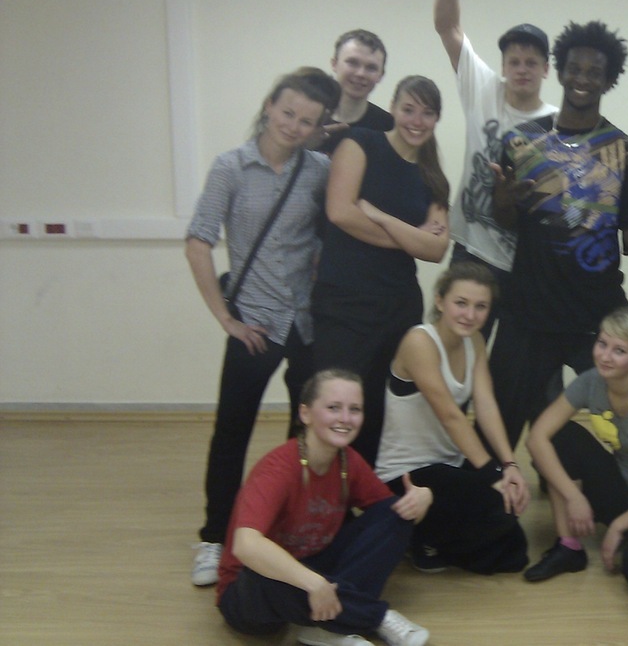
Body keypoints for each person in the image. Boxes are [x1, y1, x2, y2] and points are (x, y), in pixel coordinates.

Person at [487, 20, 628, 449]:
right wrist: (502, 200)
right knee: (499, 425)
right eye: (575, 69)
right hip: (528, 309)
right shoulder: (521, 142)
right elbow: (506, 220)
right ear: (559, 71)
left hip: (597, 313)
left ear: (609, 80)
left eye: (595, 72)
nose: (583, 78)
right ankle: (496, 486)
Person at [185, 67, 340, 587]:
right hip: (255, 321)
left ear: (318, 127)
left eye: (307, 121)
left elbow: (335, 225)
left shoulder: (319, 169)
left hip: (307, 322)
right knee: (232, 431)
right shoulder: (230, 167)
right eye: (288, 113)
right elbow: (198, 241)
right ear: (270, 105)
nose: (293, 126)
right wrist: (225, 318)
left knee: (306, 434)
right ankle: (214, 537)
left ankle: (293, 529)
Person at [215, 369, 433, 646]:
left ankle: (325, 629)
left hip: (309, 564)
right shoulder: (278, 468)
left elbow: (388, 522)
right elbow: (246, 546)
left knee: (396, 512)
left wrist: (422, 500)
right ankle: (374, 618)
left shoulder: (348, 461)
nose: (345, 418)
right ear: (305, 414)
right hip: (249, 592)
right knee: (263, 575)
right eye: (333, 408)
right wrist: (314, 583)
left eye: (354, 409)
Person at [311, 75, 451, 466]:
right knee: (333, 405)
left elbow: (437, 249)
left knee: (378, 410)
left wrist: (378, 215)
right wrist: (409, 237)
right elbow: (340, 212)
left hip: (398, 308)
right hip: (344, 302)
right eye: (409, 109)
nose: (416, 121)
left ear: (436, 119)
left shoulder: (433, 177)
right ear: (392, 108)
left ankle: (366, 495)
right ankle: (316, 495)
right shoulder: (360, 143)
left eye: (427, 113)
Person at [375, 262, 531, 575]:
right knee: (497, 510)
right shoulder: (420, 342)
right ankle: (419, 538)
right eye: (461, 303)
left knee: (515, 550)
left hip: (449, 466)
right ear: (440, 301)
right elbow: (450, 416)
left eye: (480, 306)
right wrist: (492, 474)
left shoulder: (475, 342)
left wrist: (509, 465)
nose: (470, 315)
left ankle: (432, 538)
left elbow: (486, 406)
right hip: (406, 474)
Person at [524, 308, 628, 587]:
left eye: (619, 350)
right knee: (560, 438)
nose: (605, 356)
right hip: (623, 487)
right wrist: (574, 497)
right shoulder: (591, 381)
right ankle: (568, 547)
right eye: (602, 344)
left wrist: (618, 526)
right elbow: (536, 438)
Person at [433, 0, 558, 337]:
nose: (522, 69)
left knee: (510, 362)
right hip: (472, 250)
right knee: (452, 348)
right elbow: (448, 27)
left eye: (531, 62)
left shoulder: (558, 125)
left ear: (546, 70)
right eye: (514, 61)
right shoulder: (484, 89)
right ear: (503, 67)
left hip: (524, 261)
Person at [314, 29, 394, 154]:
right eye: (352, 63)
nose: (361, 73)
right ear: (334, 64)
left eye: (371, 67)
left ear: (381, 75)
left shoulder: (389, 127)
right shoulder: (307, 117)